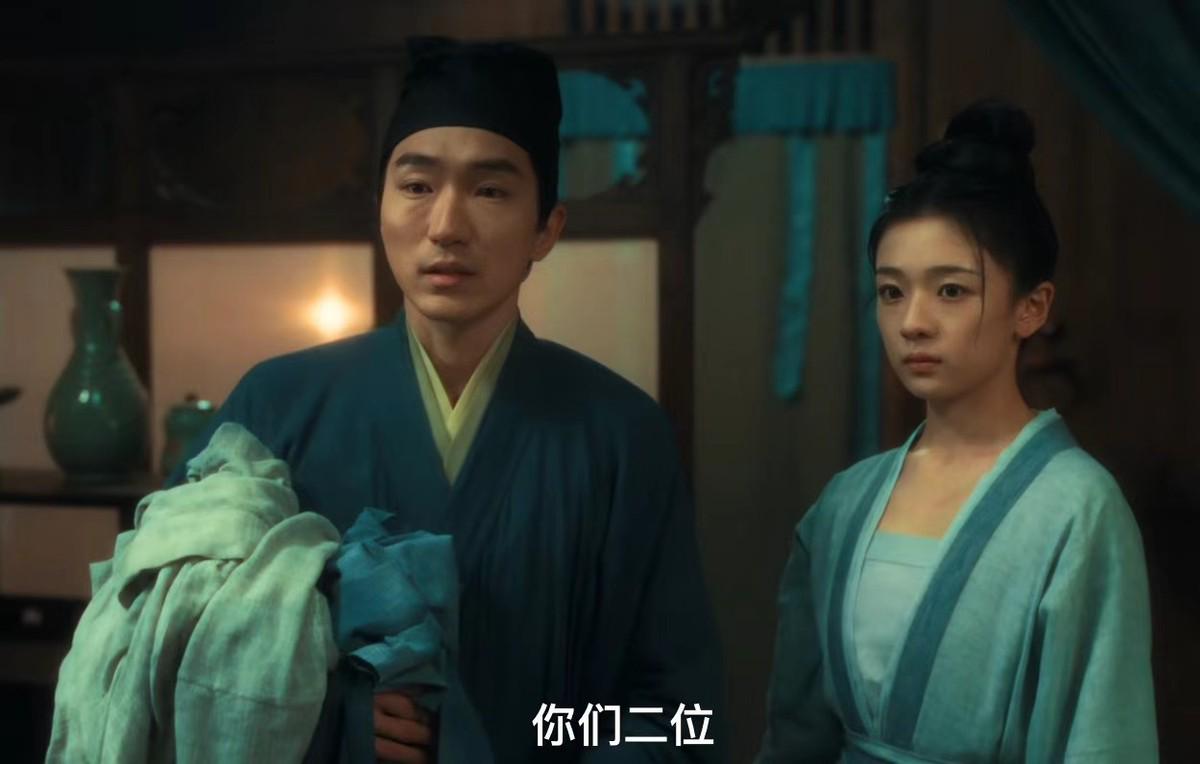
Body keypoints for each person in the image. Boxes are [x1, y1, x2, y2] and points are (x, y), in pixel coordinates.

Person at [172, 38, 724, 763]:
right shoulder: (275, 409)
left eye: (490, 191)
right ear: (379, 207)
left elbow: (685, 719)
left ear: (546, 229)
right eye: (416, 186)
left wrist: (536, 733)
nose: (446, 227)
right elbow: (169, 645)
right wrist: (321, 712)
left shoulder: (620, 433)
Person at [756, 100, 1157, 763]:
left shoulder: (1077, 509)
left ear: (1031, 307)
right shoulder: (845, 502)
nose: (913, 322)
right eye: (892, 292)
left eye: (950, 291)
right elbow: (796, 734)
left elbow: (1104, 741)